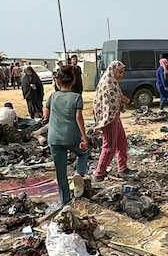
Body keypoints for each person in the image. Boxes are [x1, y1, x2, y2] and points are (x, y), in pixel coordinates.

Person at [44, 66, 89, 206]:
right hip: (71, 136)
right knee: (83, 153)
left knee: (60, 173)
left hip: (54, 138)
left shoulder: (52, 96)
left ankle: (65, 203)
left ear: (57, 82)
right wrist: (84, 137)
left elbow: (46, 116)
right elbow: (78, 117)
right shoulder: (76, 97)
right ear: (74, 81)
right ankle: (78, 173)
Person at [93, 61, 135, 179]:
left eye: (122, 73)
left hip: (115, 116)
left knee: (122, 142)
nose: (121, 75)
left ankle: (122, 168)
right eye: (119, 72)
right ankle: (99, 173)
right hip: (109, 118)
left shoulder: (113, 82)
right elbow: (112, 99)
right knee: (109, 147)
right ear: (113, 71)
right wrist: (125, 100)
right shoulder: (107, 83)